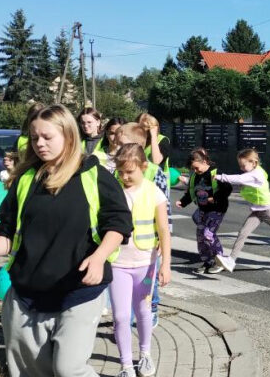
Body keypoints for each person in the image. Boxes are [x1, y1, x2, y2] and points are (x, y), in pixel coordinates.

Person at [0, 104, 132, 377]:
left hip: (78, 291)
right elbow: (7, 233)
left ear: (68, 135)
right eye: (34, 137)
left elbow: (119, 224)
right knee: (30, 372)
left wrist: (99, 258)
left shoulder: (94, 176)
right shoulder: (26, 179)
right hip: (27, 294)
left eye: (47, 137)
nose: (39, 144)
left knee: (69, 369)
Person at [109, 143, 171, 377]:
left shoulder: (153, 191)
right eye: (120, 171)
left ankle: (145, 354)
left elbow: (164, 229)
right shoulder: (112, 190)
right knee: (121, 316)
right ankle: (126, 365)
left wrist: (165, 264)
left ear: (144, 167)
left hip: (146, 265)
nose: (124, 177)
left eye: (130, 172)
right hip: (117, 263)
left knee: (143, 311)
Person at [115, 122, 169, 325]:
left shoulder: (155, 173)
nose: (118, 146)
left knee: (149, 282)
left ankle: (152, 307)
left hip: (149, 246)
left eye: (123, 144)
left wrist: (163, 243)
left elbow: (165, 213)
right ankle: (127, 319)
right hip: (122, 250)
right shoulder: (118, 174)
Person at [176, 148, 232, 274]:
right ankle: (207, 262)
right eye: (193, 169)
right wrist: (183, 202)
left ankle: (220, 260)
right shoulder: (195, 176)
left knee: (208, 234)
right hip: (203, 210)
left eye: (197, 168)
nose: (195, 171)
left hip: (217, 209)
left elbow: (227, 189)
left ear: (205, 161)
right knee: (201, 237)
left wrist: (215, 198)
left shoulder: (216, 174)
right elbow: (191, 192)